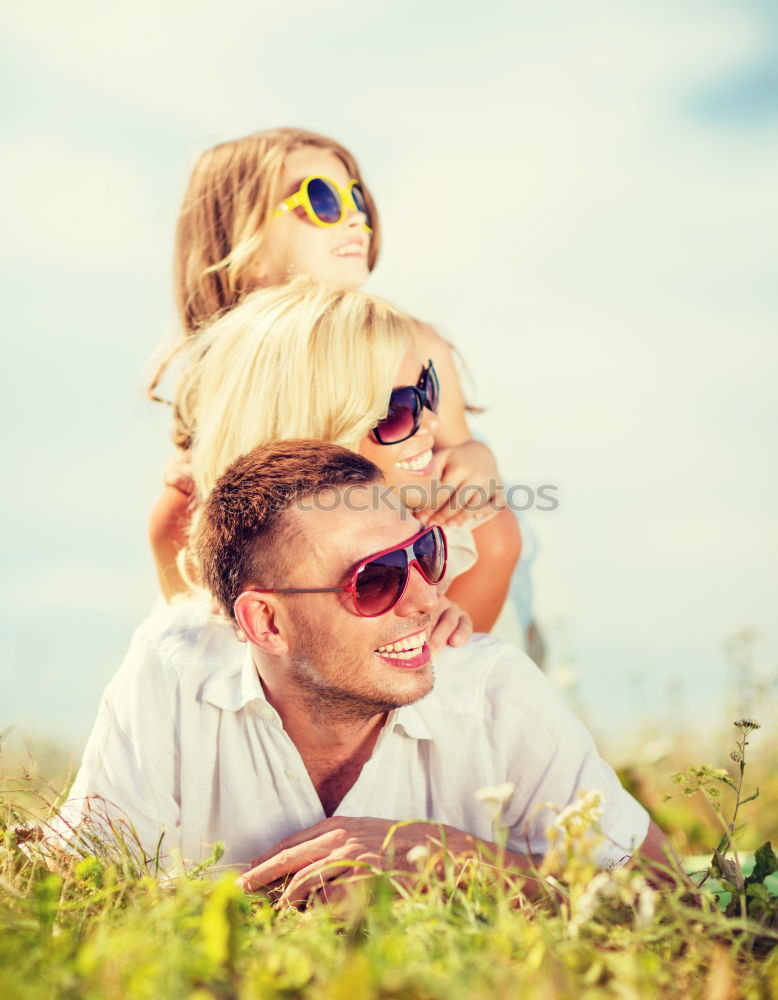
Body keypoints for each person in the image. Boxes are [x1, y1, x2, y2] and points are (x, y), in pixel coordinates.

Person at [58, 441, 669, 901]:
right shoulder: (172, 668)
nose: (426, 600)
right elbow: (75, 892)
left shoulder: (492, 689)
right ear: (267, 623)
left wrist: (458, 859)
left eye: (423, 554)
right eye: (375, 580)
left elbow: (665, 893)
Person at [147, 128, 523, 634]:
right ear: (245, 242)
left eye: (356, 197)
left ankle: (446, 673)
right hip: (291, 534)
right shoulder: (229, 363)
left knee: (493, 527)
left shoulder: (410, 340)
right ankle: (215, 645)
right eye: (320, 198)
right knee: (176, 512)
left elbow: (455, 445)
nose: (352, 216)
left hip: (394, 510)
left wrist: (479, 459)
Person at [173, 279, 500, 628]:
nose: (433, 421)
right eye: (397, 410)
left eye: (428, 390)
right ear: (315, 431)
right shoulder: (193, 636)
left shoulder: (441, 533)